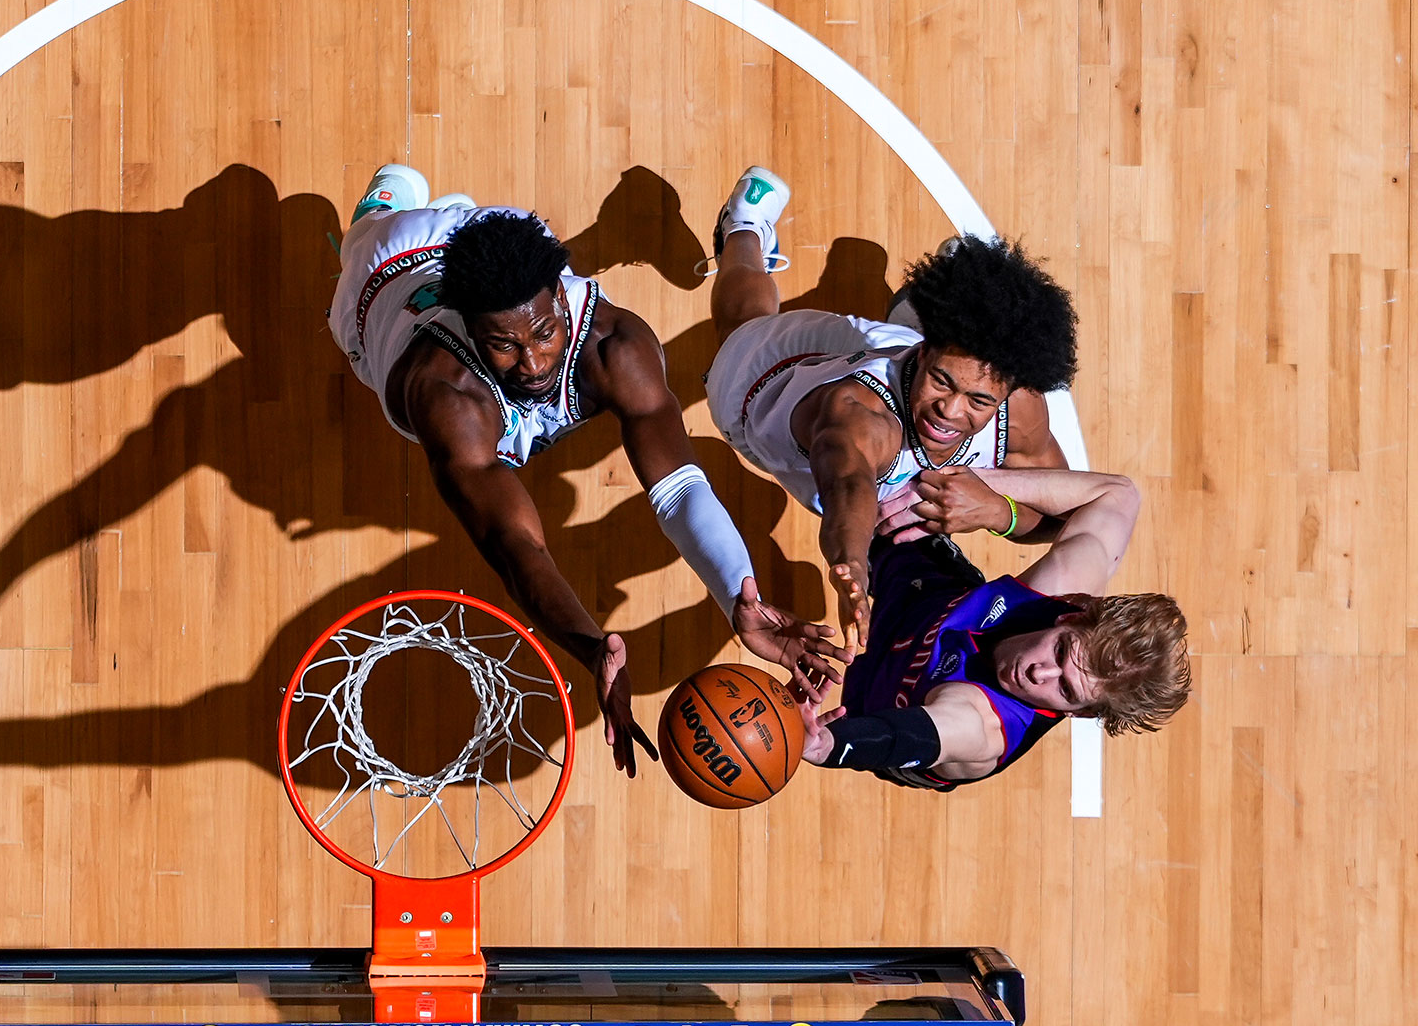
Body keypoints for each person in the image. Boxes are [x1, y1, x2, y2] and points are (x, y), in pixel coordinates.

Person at [330, 165, 848, 776]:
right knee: (368, 234)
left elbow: (679, 487)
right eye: (505, 345)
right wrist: (589, 646)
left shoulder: (615, 346)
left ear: (561, 296)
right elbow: (514, 544)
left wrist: (737, 593)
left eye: (545, 332)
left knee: (510, 237)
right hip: (388, 271)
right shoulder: (446, 395)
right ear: (468, 327)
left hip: (487, 246)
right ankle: (382, 208)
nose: (533, 361)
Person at [702, 166, 1079, 647]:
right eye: (942, 382)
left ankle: (936, 299)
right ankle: (743, 225)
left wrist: (996, 513)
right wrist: (852, 563)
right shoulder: (856, 416)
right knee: (741, 323)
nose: (949, 411)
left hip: (899, 351)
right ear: (924, 354)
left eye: (979, 401)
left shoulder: (1019, 413)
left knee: (947, 353)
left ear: (1006, 395)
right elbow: (848, 484)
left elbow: (1064, 518)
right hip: (778, 377)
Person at [787, 467, 1191, 789]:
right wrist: (978, 493)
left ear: (1082, 712)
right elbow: (1119, 495)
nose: (1040, 673)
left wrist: (830, 745)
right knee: (876, 476)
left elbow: (909, 735)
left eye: (1065, 688)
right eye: (1062, 651)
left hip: (883, 705)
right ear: (1070, 617)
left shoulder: (986, 725)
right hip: (924, 598)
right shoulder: (1063, 588)